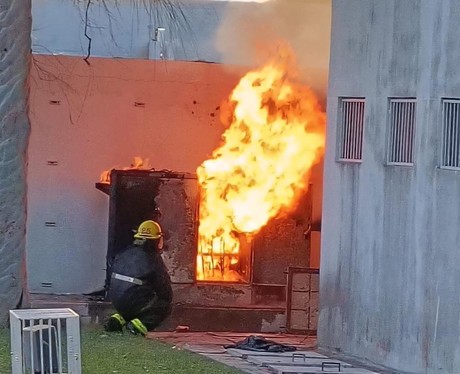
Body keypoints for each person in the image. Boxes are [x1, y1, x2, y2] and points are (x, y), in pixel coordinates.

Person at [104, 220, 173, 336]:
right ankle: (138, 326)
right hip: (133, 301)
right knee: (164, 306)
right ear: (156, 240)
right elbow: (165, 291)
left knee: (136, 297)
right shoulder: (153, 258)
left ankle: (118, 319)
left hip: (116, 300)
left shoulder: (125, 252)